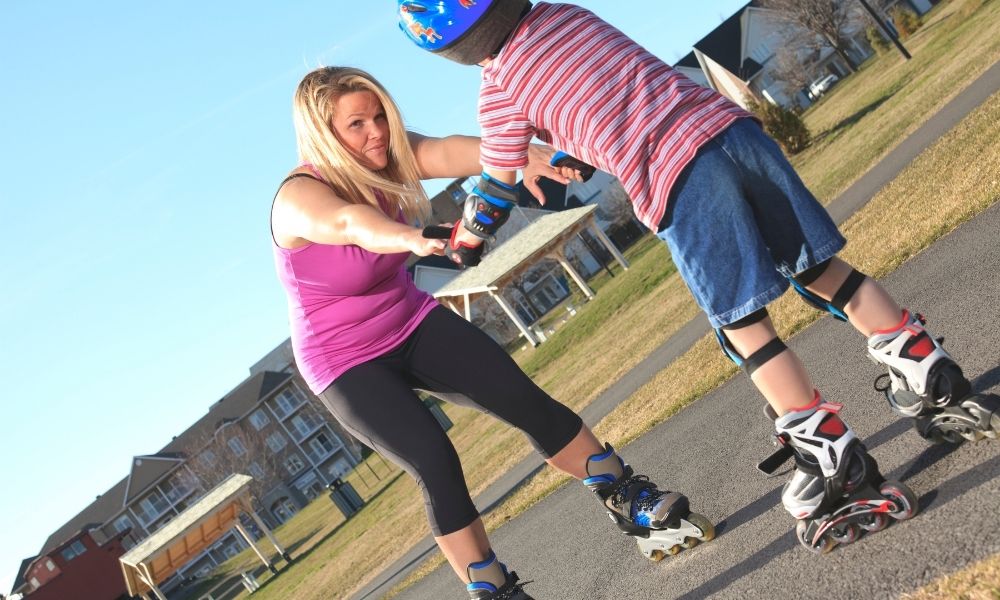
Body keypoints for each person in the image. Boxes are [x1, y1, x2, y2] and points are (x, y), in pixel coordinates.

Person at [396, 1, 1000, 553]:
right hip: (730, 132)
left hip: (678, 179)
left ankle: (833, 460)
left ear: (444, 47)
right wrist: (578, 147)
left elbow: (497, 182)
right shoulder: (566, 15)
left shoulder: (497, 86)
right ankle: (932, 375)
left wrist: (465, 244)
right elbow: (605, 93)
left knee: (743, 322)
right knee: (821, 271)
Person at [270, 66, 713, 600]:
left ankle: (631, 501)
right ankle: (494, 590)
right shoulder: (298, 197)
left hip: (408, 319)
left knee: (521, 398)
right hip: (343, 361)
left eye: (379, 116)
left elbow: (453, 151)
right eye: (357, 124)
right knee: (434, 458)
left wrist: (524, 155)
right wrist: (411, 236)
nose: (377, 133)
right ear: (324, 136)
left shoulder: (387, 155)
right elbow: (348, 225)